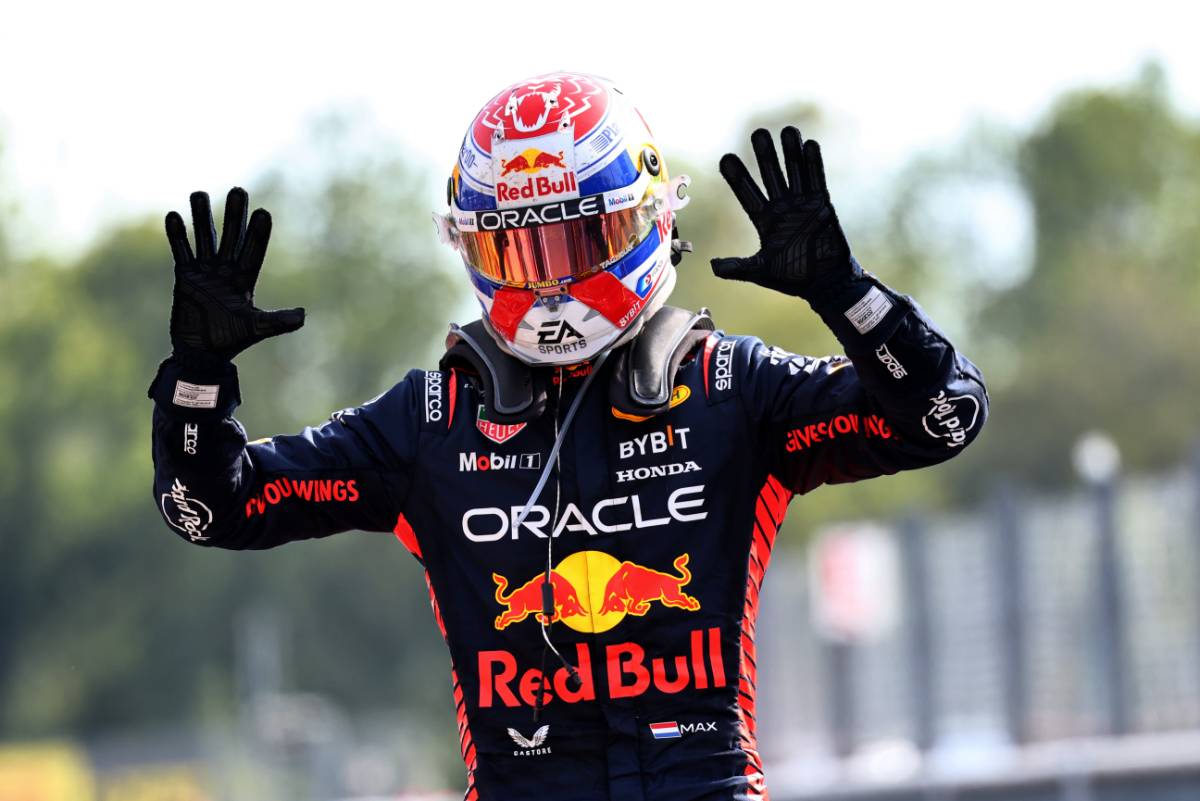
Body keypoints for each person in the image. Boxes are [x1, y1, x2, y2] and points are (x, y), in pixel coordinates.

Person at [149, 72, 986, 801]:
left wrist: (847, 293)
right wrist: (197, 376)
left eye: (576, 238)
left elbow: (943, 415)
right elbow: (212, 508)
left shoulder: (732, 387)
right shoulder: (430, 420)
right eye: (518, 249)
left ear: (646, 220)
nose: (550, 279)